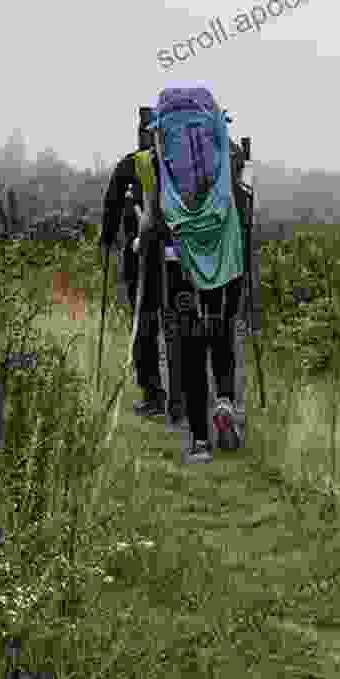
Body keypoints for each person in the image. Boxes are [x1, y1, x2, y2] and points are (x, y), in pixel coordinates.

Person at [135, 86, 249, 464]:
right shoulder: (228, 154)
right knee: (222, 334)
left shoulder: (153, 161)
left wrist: (141, 236)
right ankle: (226, 400)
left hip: (179, 263)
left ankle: (200, 441)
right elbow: (243, 207)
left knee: (189, 347)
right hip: (226, 262)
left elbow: (152, 222)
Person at [100, 108, 187, 423]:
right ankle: (178, 399)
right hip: (180, 259)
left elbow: (111, 205)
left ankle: (155, 396)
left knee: (146, 326)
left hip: (144, 257)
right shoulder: (182, 167)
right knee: (176, 325)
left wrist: (107, 241)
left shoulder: (132, 164)